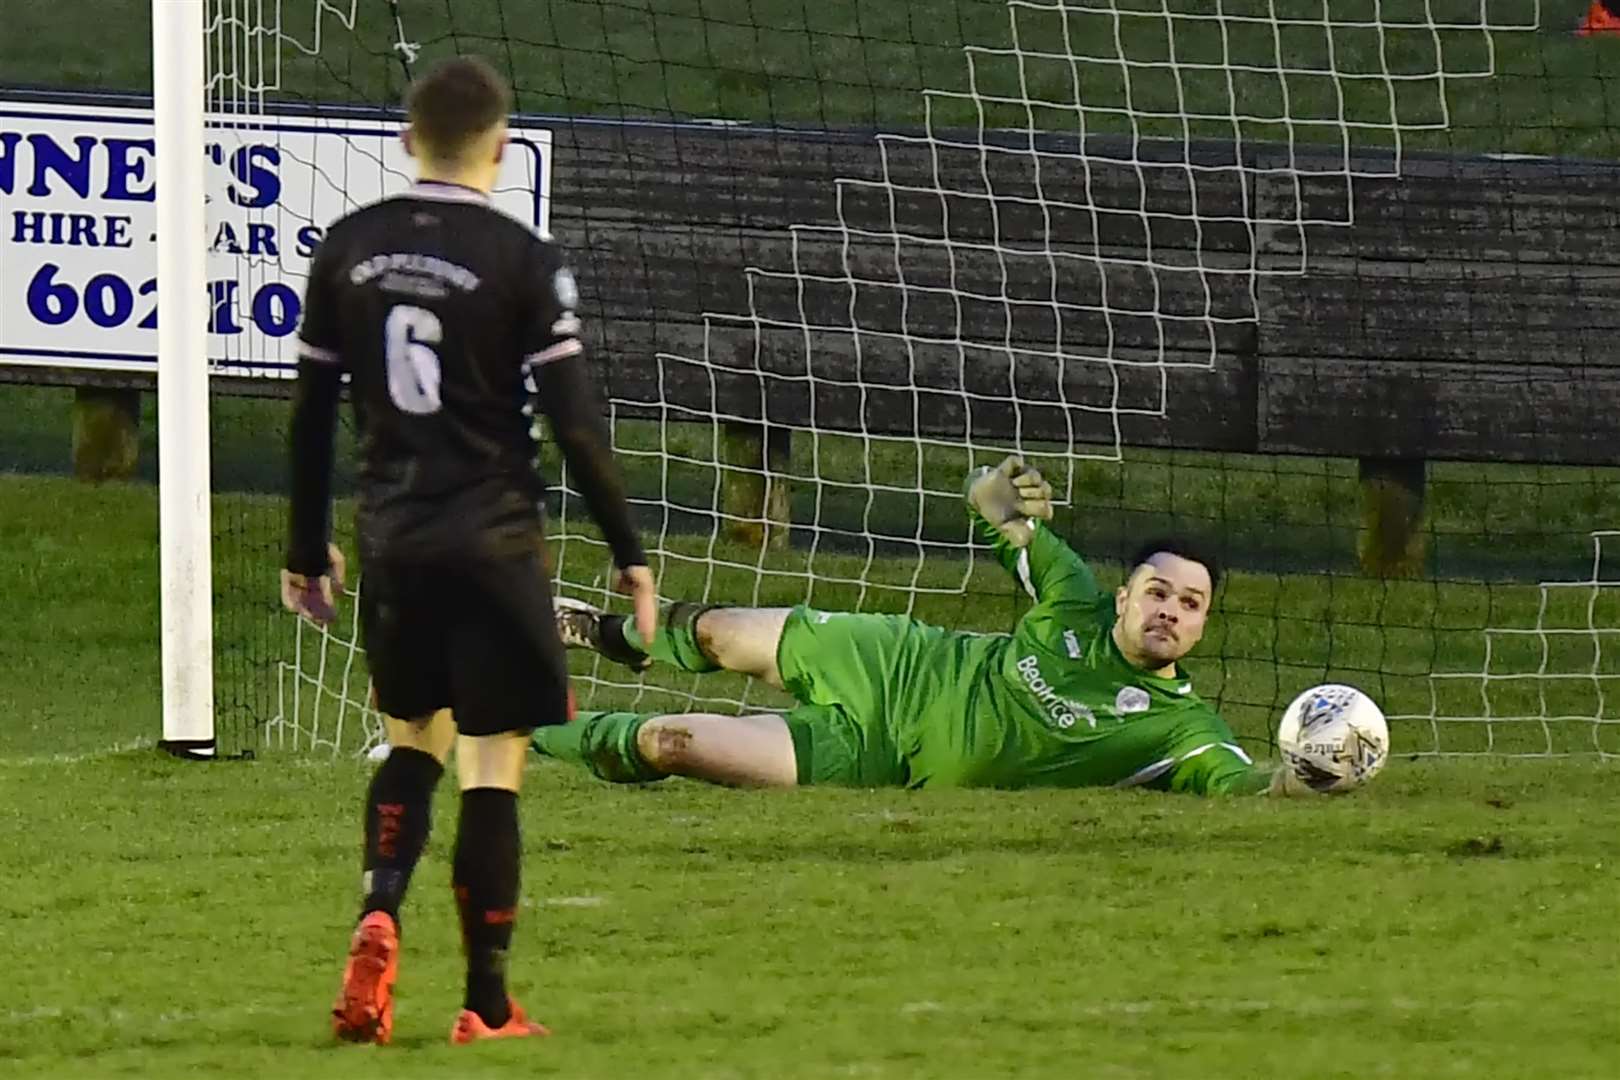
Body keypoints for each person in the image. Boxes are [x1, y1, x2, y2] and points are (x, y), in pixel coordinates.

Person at [281, 55, 656, 1046]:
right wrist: (630, 554)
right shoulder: (523, 259)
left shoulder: (347, 248)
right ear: (498, 143)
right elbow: (577, 429)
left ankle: (377, 909)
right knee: (493, 762)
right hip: (495, 544)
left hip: (394, 540)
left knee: (413, 742)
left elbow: (313, 410)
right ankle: (485, 1003)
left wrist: (304, 544)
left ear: (408, 141)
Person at [537, 456, 1302, 796]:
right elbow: (986, 499)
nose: (1170, 610)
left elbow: (1248, 788)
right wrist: (1005, 488)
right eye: (1157, 592)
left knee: (672, 743)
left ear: (1201, 625)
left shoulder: (1182, 731)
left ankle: (523, 725)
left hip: (875, 758)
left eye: (1190, 603)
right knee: (717, 631)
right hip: (894, 663)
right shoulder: (1072, 592)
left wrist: (1314, 776)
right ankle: (608, 635)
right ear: (1125, 597)